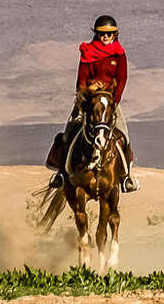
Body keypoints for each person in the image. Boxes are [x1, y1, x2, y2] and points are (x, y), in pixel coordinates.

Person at [48, 14, 138, 192]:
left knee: (124, 136)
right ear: (96, 34)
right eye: (102, 34)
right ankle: (61, 173)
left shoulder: (119, 53)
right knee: (69, 132)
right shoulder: (88, 51)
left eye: (110, 34)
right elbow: (82, 78)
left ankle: (127, 177)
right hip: (88, 100)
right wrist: (84, 98)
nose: (106, 37)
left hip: (110, 102)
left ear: (115, 34)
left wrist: (115, 100)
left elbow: (122, 78)